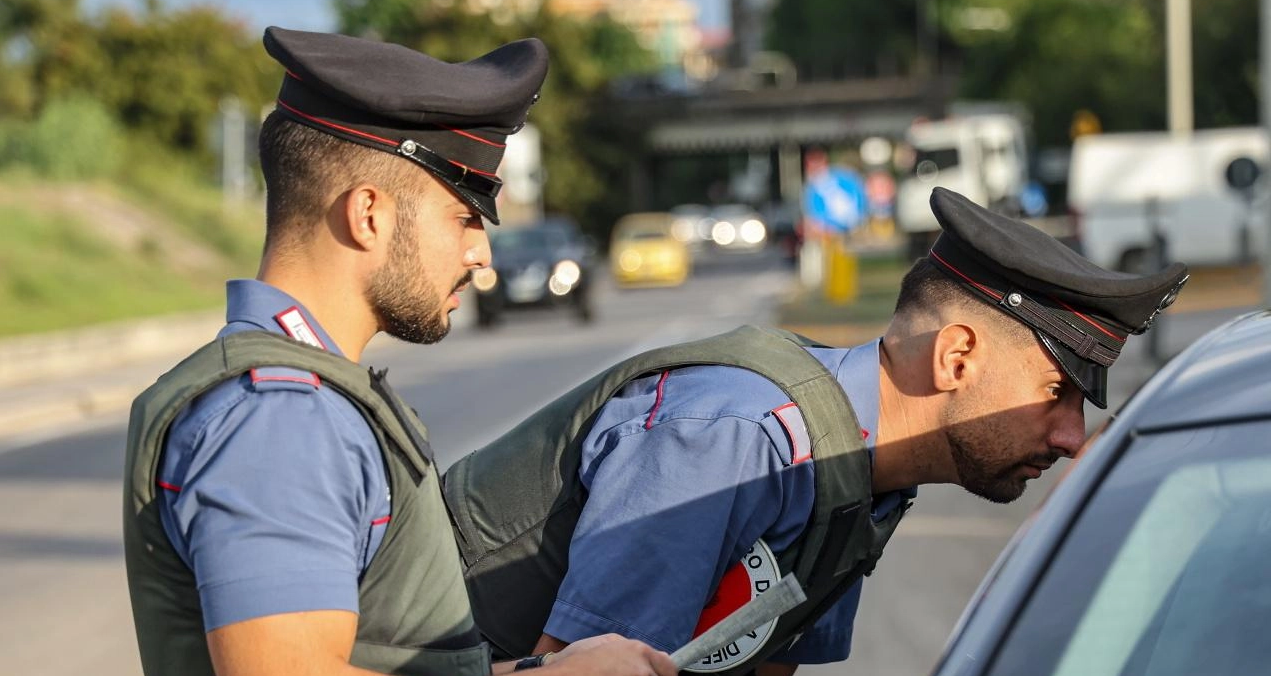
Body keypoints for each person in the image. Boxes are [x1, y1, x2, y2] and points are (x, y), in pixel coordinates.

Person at [443, 186, 1191, 675]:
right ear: (957, 356)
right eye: (1057, 392)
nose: (1070, 435)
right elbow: (584, 670)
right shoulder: (740, 439)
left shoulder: (862, 475)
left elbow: (759, 659)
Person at [122, 27, 676, 676]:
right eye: (465, 215)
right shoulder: (282, 416)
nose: (482, 252)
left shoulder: (304, 396)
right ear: (369, 215)